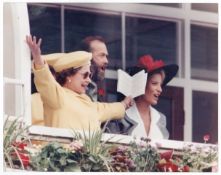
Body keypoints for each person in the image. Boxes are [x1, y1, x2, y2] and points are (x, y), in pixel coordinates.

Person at [26, 35, 133, 130]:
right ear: (68, 76)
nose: (89, 80)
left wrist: (124, 104)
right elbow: (45, 81)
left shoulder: (87, 101)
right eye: (85, 75)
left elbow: (108, 109)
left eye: (90, 75)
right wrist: (38, 60)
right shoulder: (57, 97)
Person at [105, 54, 179, 139]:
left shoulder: (161, 119)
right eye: (154, 84)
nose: (160, 89)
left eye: (161, 85)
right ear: (141, 84)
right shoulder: (121, 116)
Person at [77, 36, 108, 102]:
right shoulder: (76, 87)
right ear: (87, 57)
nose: (106, 61)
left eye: (106, 56)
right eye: (102, 55)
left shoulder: (100, 82)